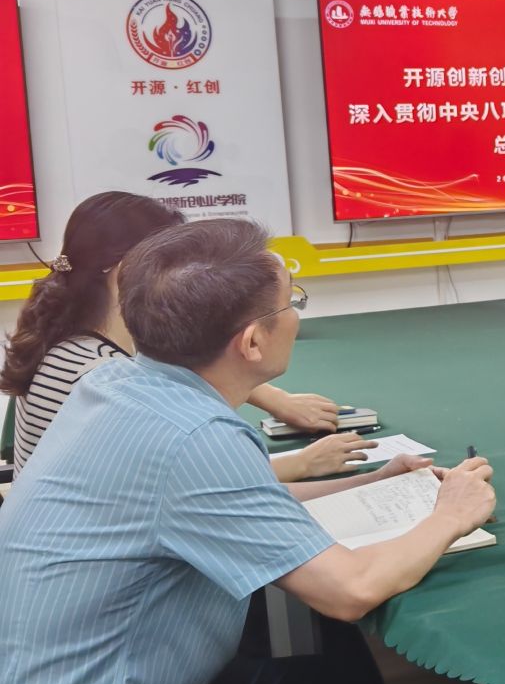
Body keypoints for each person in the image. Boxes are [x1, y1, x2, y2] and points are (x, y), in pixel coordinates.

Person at [0, 218, 496, 684]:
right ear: (253, 341)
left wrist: (370, 481)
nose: (296, 315)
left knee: (329, 666)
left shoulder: (119, 387)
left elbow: (223, 499)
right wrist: (451, 515)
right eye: (292, 302)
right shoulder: (194, 435)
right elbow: (350, 590)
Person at [2, 191, 357, 476]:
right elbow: (197, 484)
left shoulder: (69, 340)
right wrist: (302, 464)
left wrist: (274, 398)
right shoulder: (105, 381)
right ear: (127, 272)